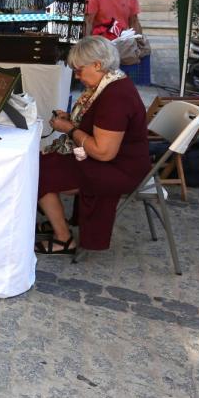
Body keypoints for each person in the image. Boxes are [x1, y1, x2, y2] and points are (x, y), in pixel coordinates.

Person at [36, 36, 151, 254]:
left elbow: (103, 152)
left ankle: (63, 239)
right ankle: (55, 220)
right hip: (115, 160)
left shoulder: (116, 97)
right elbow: (97, 123)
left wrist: (69, 128)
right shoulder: (109, 85)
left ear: (98, 65)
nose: (77, 77)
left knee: (39, 172)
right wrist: (71, 118)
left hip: (119, 169)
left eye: (79, 70)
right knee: (41, 162)